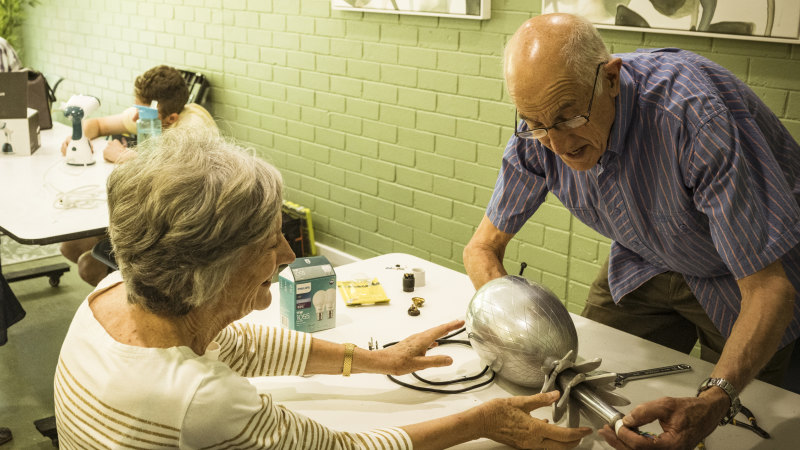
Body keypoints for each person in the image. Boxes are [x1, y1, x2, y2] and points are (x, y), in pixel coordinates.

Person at [54, 128, 592, 449]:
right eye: (270, 245)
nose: (290, 257)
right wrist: (483, 420)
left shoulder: (115, 289)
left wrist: (377, 358)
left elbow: (236, 346)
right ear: (211, 270)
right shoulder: (199, 401)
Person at [463, 13, 800, 450]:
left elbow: (769, 291)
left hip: (742, 268)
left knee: (736, 424)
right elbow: (482, 249)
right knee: (589, 384)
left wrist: (718, 397)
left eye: (568, 118)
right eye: (536, 123)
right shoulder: (538, 131)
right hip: (644, 256)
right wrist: (516, 334)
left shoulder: (693, 117)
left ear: (611, 80)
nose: (557, 144)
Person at [59, 65, 217, 286]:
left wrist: (123, 155)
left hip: (180, 233)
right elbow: (98, 124)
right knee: (70, 246)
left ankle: (142, 295)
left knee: (88, 266)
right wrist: (77, 137)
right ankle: (121, 285)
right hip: (149, 218)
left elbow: (173, 171)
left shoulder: (192, 129)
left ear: (171, 118)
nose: (134, 116)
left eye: (141, 113)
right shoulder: (151, 114)